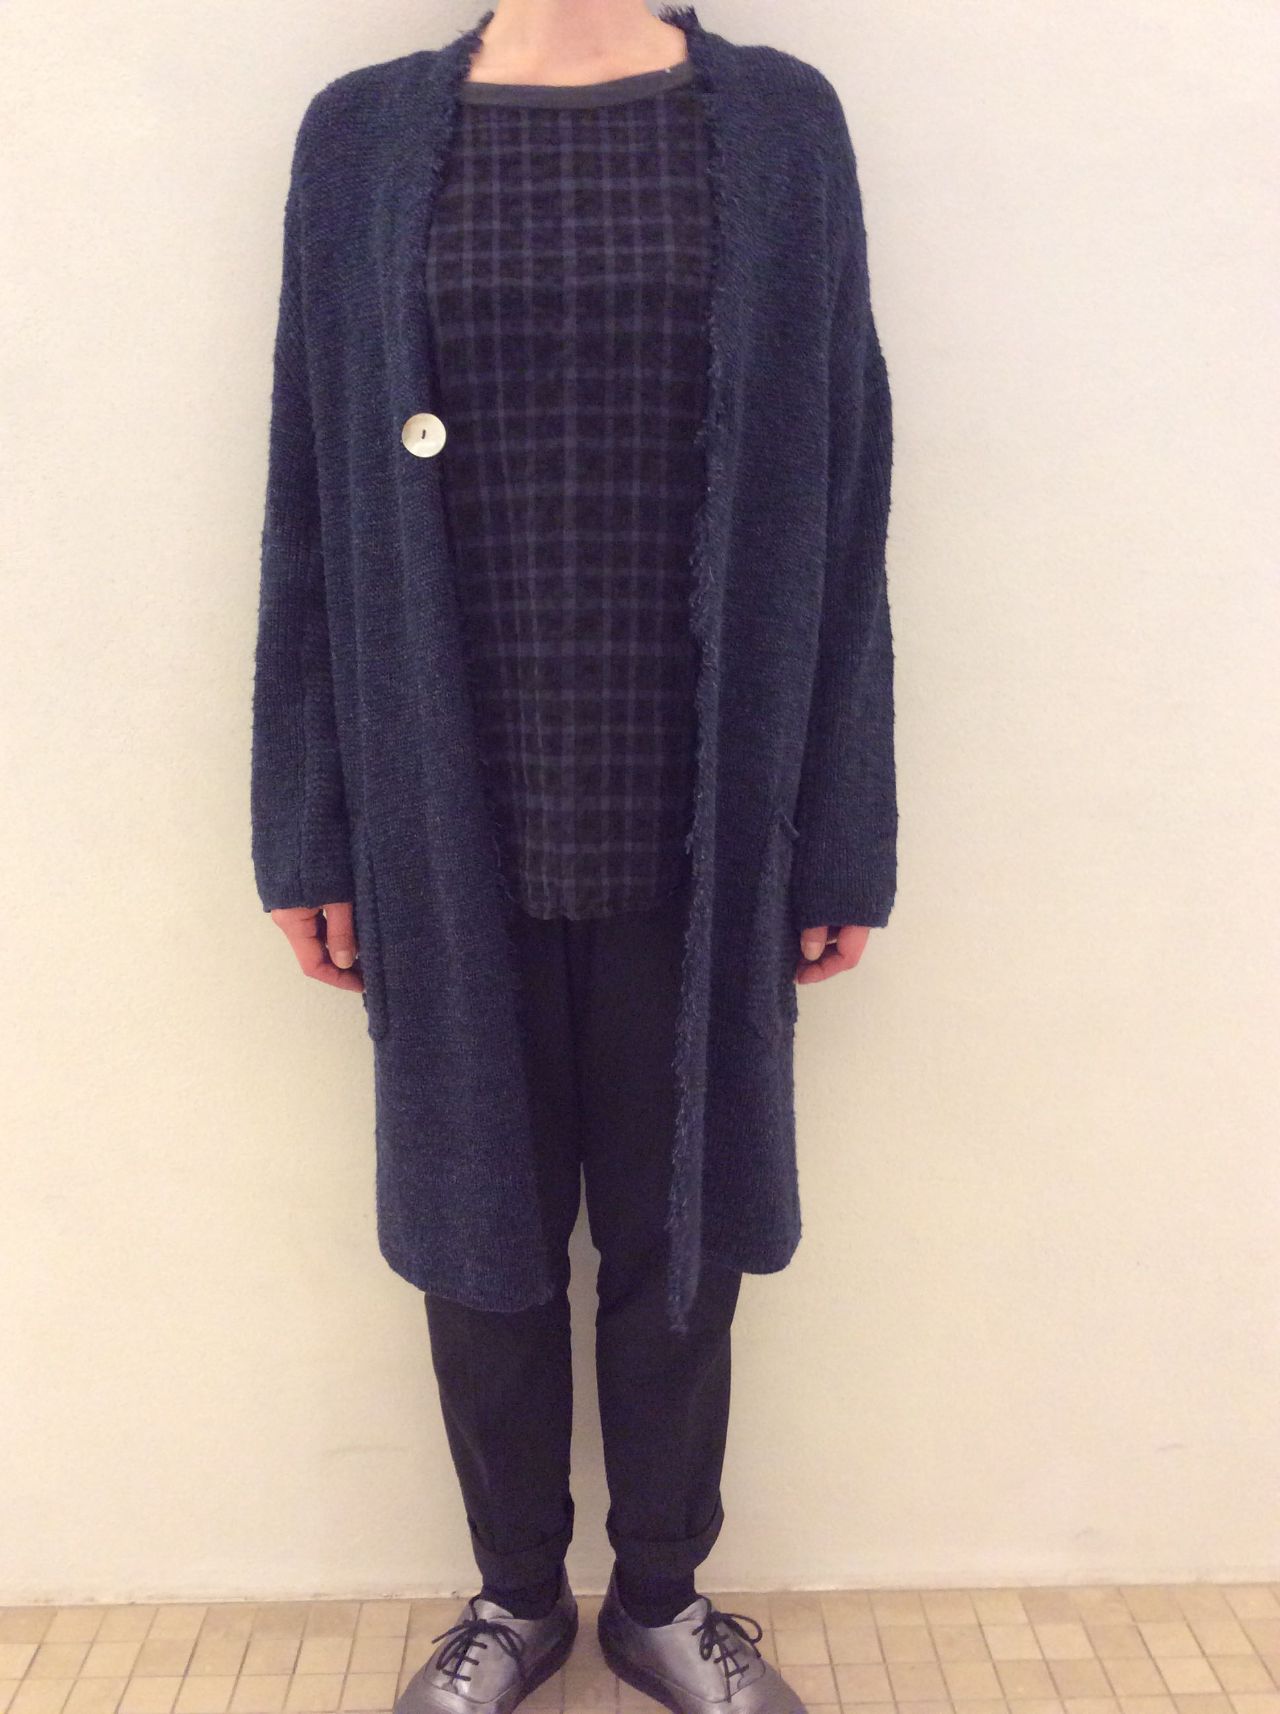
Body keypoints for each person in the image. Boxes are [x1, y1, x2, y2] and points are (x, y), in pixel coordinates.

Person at [250, 2, 897, 1711]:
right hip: (446, 813)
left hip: (700, 810)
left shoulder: (780, 129)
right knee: (479, 1227)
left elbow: (844, 485)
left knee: (688, 1234)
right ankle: (517, 1598)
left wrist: (842, 822)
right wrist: (307, 820)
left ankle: (664, 1596)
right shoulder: (361, 141)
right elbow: (310, 496)